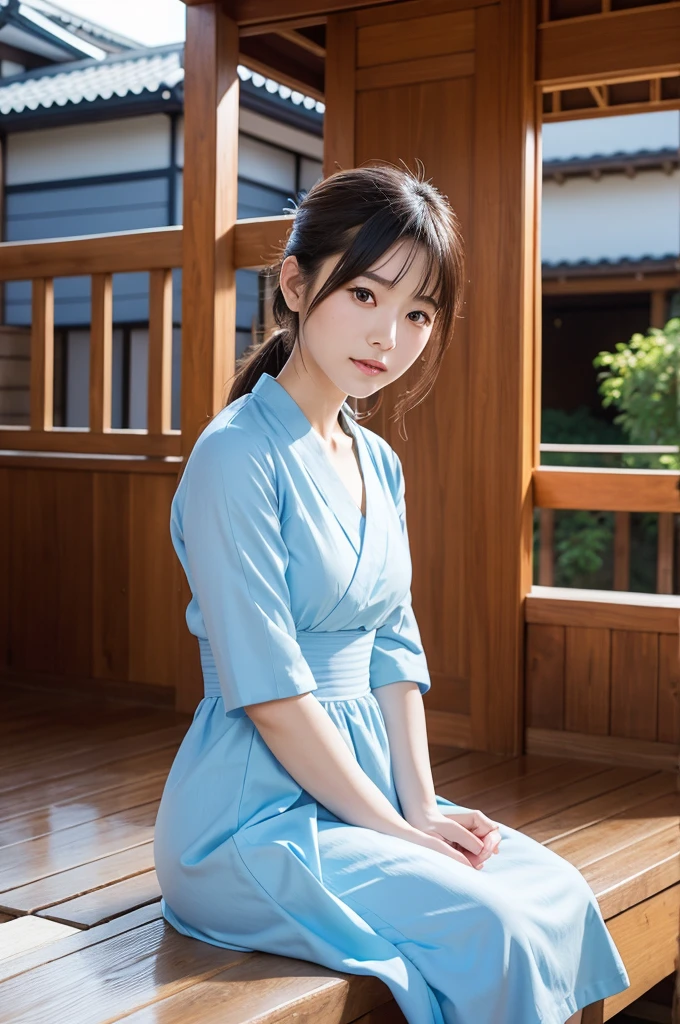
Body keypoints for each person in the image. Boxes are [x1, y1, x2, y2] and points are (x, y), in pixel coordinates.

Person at [153, 161, 630, 1024]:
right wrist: (398, 832)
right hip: (249, 818)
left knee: (555, 892)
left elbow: (393, 653)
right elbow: (271, 693)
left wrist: (419, 808)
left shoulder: (380, 462)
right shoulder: (235, 457)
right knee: (497, 926)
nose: (390, 336)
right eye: (365, 296)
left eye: (417, 314)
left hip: (365, 793)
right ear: (296, 284)